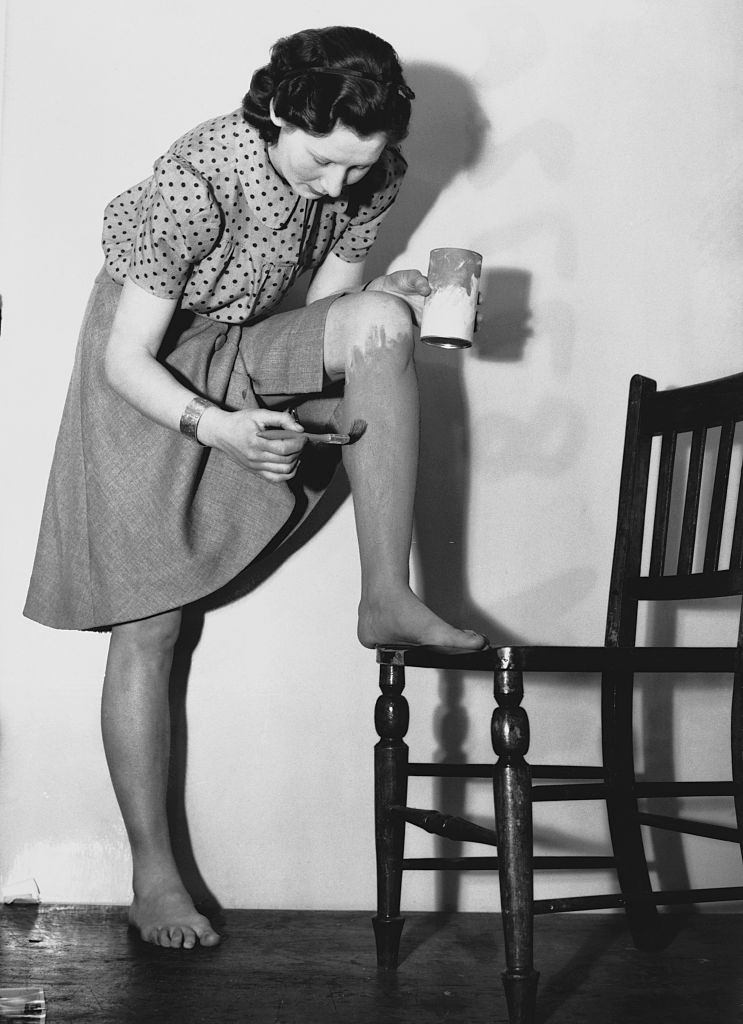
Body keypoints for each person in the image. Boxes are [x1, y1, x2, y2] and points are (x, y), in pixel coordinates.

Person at [24, 25, 487, 950]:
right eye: (322, 163)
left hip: (240, 346)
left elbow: (319, 317)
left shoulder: (368, 170)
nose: (341, 189)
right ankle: (153, 878)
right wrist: (216, 426)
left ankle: (386, 596)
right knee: (150, 625)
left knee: (380, 325)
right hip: (146, 367)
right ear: (279, 111)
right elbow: (128, 356)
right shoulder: (194, 184)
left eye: (360, 170)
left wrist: (375, 300)